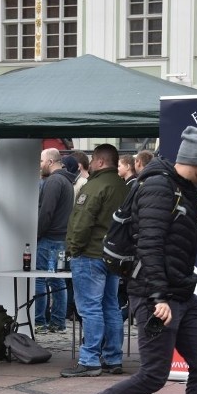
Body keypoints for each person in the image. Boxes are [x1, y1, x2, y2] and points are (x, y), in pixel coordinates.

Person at [58, 126, 197, 394]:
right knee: (154, 374)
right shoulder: (158, 187)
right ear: (196, 160)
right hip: (158, 296)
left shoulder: (185, 189)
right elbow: (149, 246)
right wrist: (158, 296)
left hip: (182, 292)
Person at [61, 144, 129, 377]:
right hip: (113, 255)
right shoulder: (124, 186)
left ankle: (90, 359)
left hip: (90, 254)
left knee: (90, 308)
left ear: (100, 161)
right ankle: (113, 357)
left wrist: (73, 250)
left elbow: (82, 222)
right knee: (111, 305)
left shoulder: (95, 186)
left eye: (93, 159)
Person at [35, 148, 74, 334]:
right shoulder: (66, 180)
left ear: (50, 161)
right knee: (58, 281)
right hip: (61, 239)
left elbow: (46, 212)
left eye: (42, 161)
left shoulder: (54, 181)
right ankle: (58, 322)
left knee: (40, 279)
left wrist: (37, 233)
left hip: (49, 239)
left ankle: (39, 321)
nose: (40, 164)